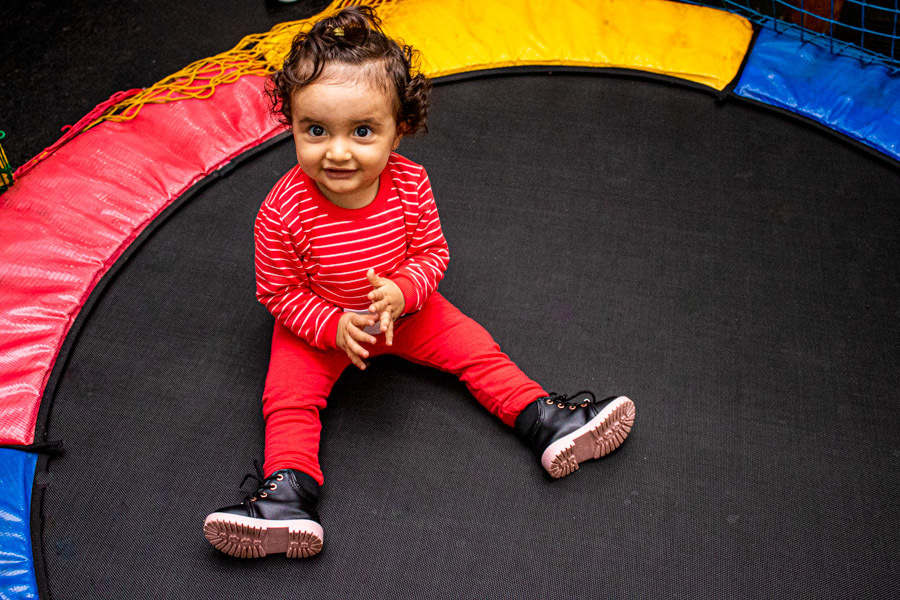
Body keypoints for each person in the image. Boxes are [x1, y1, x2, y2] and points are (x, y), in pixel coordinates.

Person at [203, 5, 635, 559]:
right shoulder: (282, 210)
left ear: (398, 130)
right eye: (315, 130)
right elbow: (278, 292)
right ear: (289, 122)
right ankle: (289, 494)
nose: (337, 152)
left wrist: (404, 292)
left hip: (407, 314)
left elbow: (432, 253)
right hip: (325, 326)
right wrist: (333, 326)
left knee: (479, 351)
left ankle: (544, 421)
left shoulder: (410, 184)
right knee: (286, 399)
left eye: (362, 131)